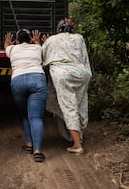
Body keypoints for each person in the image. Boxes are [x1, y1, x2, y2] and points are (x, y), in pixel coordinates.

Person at [42, 17, 92, 155]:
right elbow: (83, 56)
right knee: (80, 104)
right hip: (82, 73)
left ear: (58, 30)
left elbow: (43, 56)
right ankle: (79, 134)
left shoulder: (51, 40)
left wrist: (43, 42)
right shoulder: (79, 38)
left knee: (68, 106)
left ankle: (77, 145)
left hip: (62, 74)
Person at [4, 29, 47, 162]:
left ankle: (29, 144)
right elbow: (40, 48)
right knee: (36, 117)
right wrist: (36, 41)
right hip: (37, 79)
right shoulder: (37, 48)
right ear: (30, 39)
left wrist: (7, 42)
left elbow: (6, 47)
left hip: (18, 80)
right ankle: (38, 151)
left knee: (25, 114)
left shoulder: (12, 49)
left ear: (16, 41)